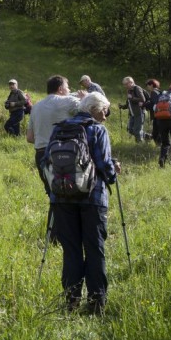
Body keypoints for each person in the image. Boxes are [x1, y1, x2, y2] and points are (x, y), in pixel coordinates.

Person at [48, 92, 119, 315]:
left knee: (71, 251)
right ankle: (97, 303)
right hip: (93, 198)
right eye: (104, 111)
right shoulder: (97, 129)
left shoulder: (58, 129)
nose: (105, 116)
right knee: (94, 250)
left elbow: (45, 161)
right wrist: (114, 173)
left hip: (61, 197)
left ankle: (71, 302)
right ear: (94, 109)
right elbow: (104, 165)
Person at [27, 75, 81, 194]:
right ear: (60, 88)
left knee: (53, 194)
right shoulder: (68, 101)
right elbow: (95, 109)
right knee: (71, 195)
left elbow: (30, 138)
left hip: (41, 155)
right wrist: (85, 97)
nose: (70, 90)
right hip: (63, 153)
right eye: (68, 87)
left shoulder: (35, 107)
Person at [120, 77, 146, 143]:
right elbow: (129, 102)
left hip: (139, 113)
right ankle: (148, 137)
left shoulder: (137, 88)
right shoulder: (129, 90)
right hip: (132, 114)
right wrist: (123, 106)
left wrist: (132, 98)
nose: (125, 86)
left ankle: (140, 145)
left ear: (131, 82)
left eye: (126, 84)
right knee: (130, 129)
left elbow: (142, 99)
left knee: (137, 131)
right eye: (124, 84)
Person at [144, 79, 162, 145]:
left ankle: (159, 145)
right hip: (161, 114)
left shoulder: (153, 92)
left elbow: (154, 104)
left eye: (147, 85)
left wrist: (145, 104)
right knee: (159, 131)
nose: (147, 87)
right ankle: (159, 145)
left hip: (156, 115)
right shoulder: (159, 92)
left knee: (156, 132)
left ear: (151, 85)